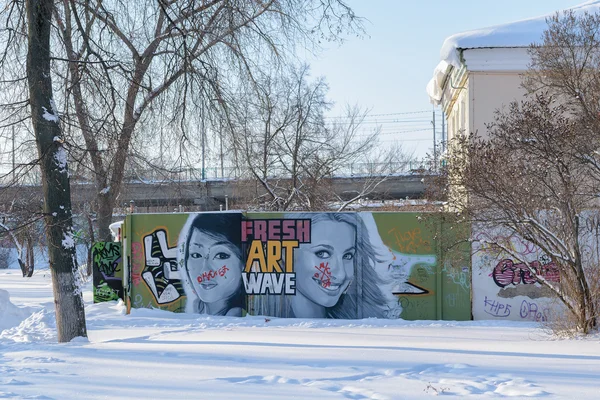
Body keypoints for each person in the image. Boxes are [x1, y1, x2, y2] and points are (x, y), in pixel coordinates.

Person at [250, 213, 395, 319]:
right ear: (285, 254)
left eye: (347, 256)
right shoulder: (266, 319)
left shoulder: (360, 318)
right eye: (322, 254)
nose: (341, 274)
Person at [178, 213, 245, 316]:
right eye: (196, 255)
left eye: (221, 256)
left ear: (243, 263)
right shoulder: (192, 310)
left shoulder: (240, 317)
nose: (205, 270)